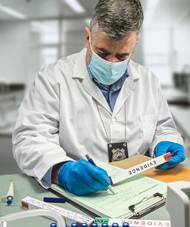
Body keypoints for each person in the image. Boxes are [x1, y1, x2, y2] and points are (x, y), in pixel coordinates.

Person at [12, 0, 185, 196]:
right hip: (79, 196)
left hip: (140, 190)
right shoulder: (52, 79)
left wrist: (165, 141)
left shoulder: (148, 81)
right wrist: (61, 170)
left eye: (122, 56)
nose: (111, 63)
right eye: (103, 53)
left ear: (134, 46)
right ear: (87, 38)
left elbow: (163, 128)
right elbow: (29, 139)